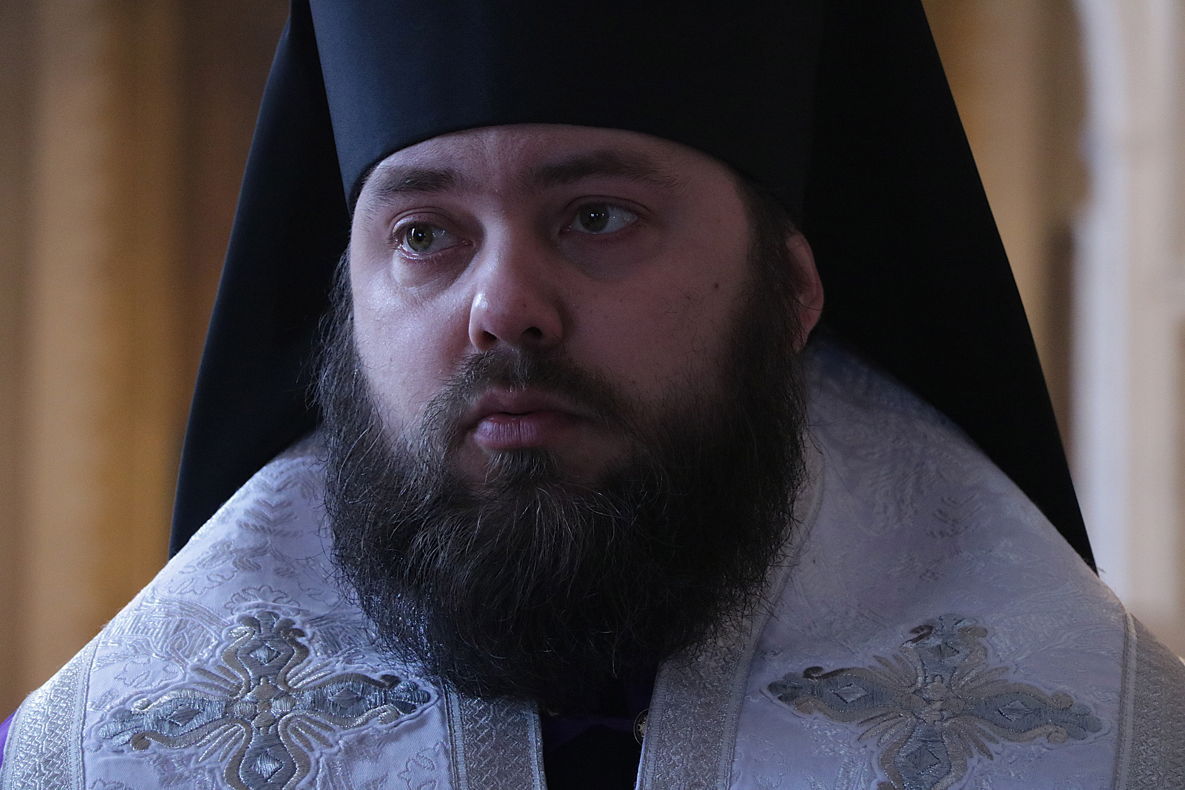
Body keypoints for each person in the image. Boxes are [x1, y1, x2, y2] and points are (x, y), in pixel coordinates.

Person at [2, 1, 1182, 788]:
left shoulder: (1113, 753)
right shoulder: (91, 762)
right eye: (425, 235)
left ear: (790, 290)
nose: (503, 306)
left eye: (598, 216)